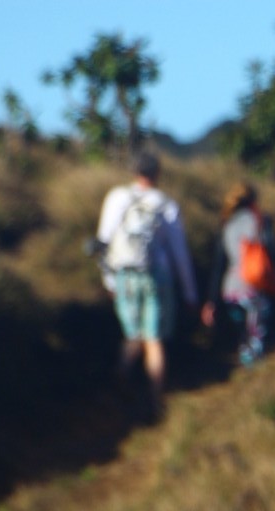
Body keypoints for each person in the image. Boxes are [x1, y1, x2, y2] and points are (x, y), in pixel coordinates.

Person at [94, 149, 198, 404]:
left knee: (133, 334)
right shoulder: (166, 204)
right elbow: (180, 253)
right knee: (154, 339)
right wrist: (190, 293)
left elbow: (103, 241)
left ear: (134, 171)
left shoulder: (116, 197)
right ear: (157, 173)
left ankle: (121, 375)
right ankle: (155, 396)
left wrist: (108, 280)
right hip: (157, 276)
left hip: (125, 274)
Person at [201, 179, 275, 368]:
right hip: (254, 286)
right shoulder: (262, 220)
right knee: (256, 334)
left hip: (230, 290)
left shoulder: (226, 223)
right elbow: (273, 253)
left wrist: (211, 301)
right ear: (254, 199)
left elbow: (219, 265)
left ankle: (245, 366)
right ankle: (254, 373)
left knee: (242, 333)